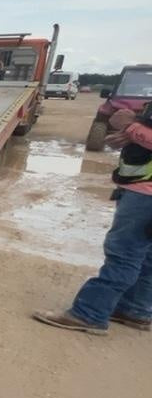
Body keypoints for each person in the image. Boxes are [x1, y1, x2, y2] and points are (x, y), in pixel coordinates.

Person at [34, 108, 152, 335]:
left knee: (125, 255)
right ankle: (134, 310)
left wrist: (131, 127)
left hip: (145, 196)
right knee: (146, 256)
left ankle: (89, 314)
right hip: (140, 190)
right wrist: (133, 134)